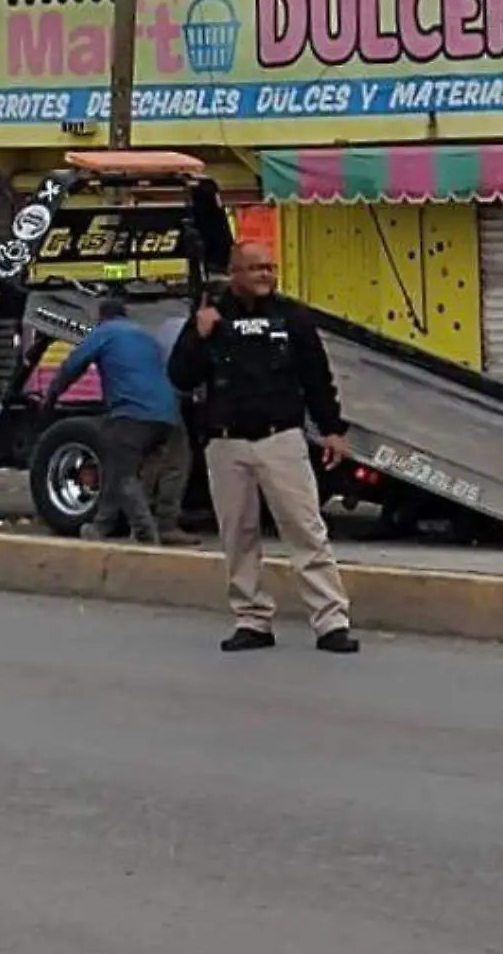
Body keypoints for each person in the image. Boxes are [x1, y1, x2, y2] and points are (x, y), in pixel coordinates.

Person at [168, 242, 360, 655]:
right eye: (255, 268)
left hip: (280, 439)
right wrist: (198, 338)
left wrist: (333, 429)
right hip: (225, 443)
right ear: (234, 272)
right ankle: (252, 619)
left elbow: (317, 377)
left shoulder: (292, 318)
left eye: (270, 268)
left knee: (306, 529)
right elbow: (180, 377)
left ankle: (331, 622)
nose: (265, 275)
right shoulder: (210, 316)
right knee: (238, 536)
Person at [43, 297, 181, 545]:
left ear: (102, 316)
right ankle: (101, 528)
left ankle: (145, 531)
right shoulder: (146, 336)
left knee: (123, 475)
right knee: (130, 472)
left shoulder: (105, 332)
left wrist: (52, 395)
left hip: (132, 413)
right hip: (168, 414)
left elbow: (73, 365)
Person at [138, 313, 201, 546]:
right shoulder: (196, 331)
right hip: (165, 403)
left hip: (146, 399)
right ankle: (166, 524)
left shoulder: (169, 323)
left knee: (153, 460)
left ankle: (140, 521)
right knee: (177, 461)